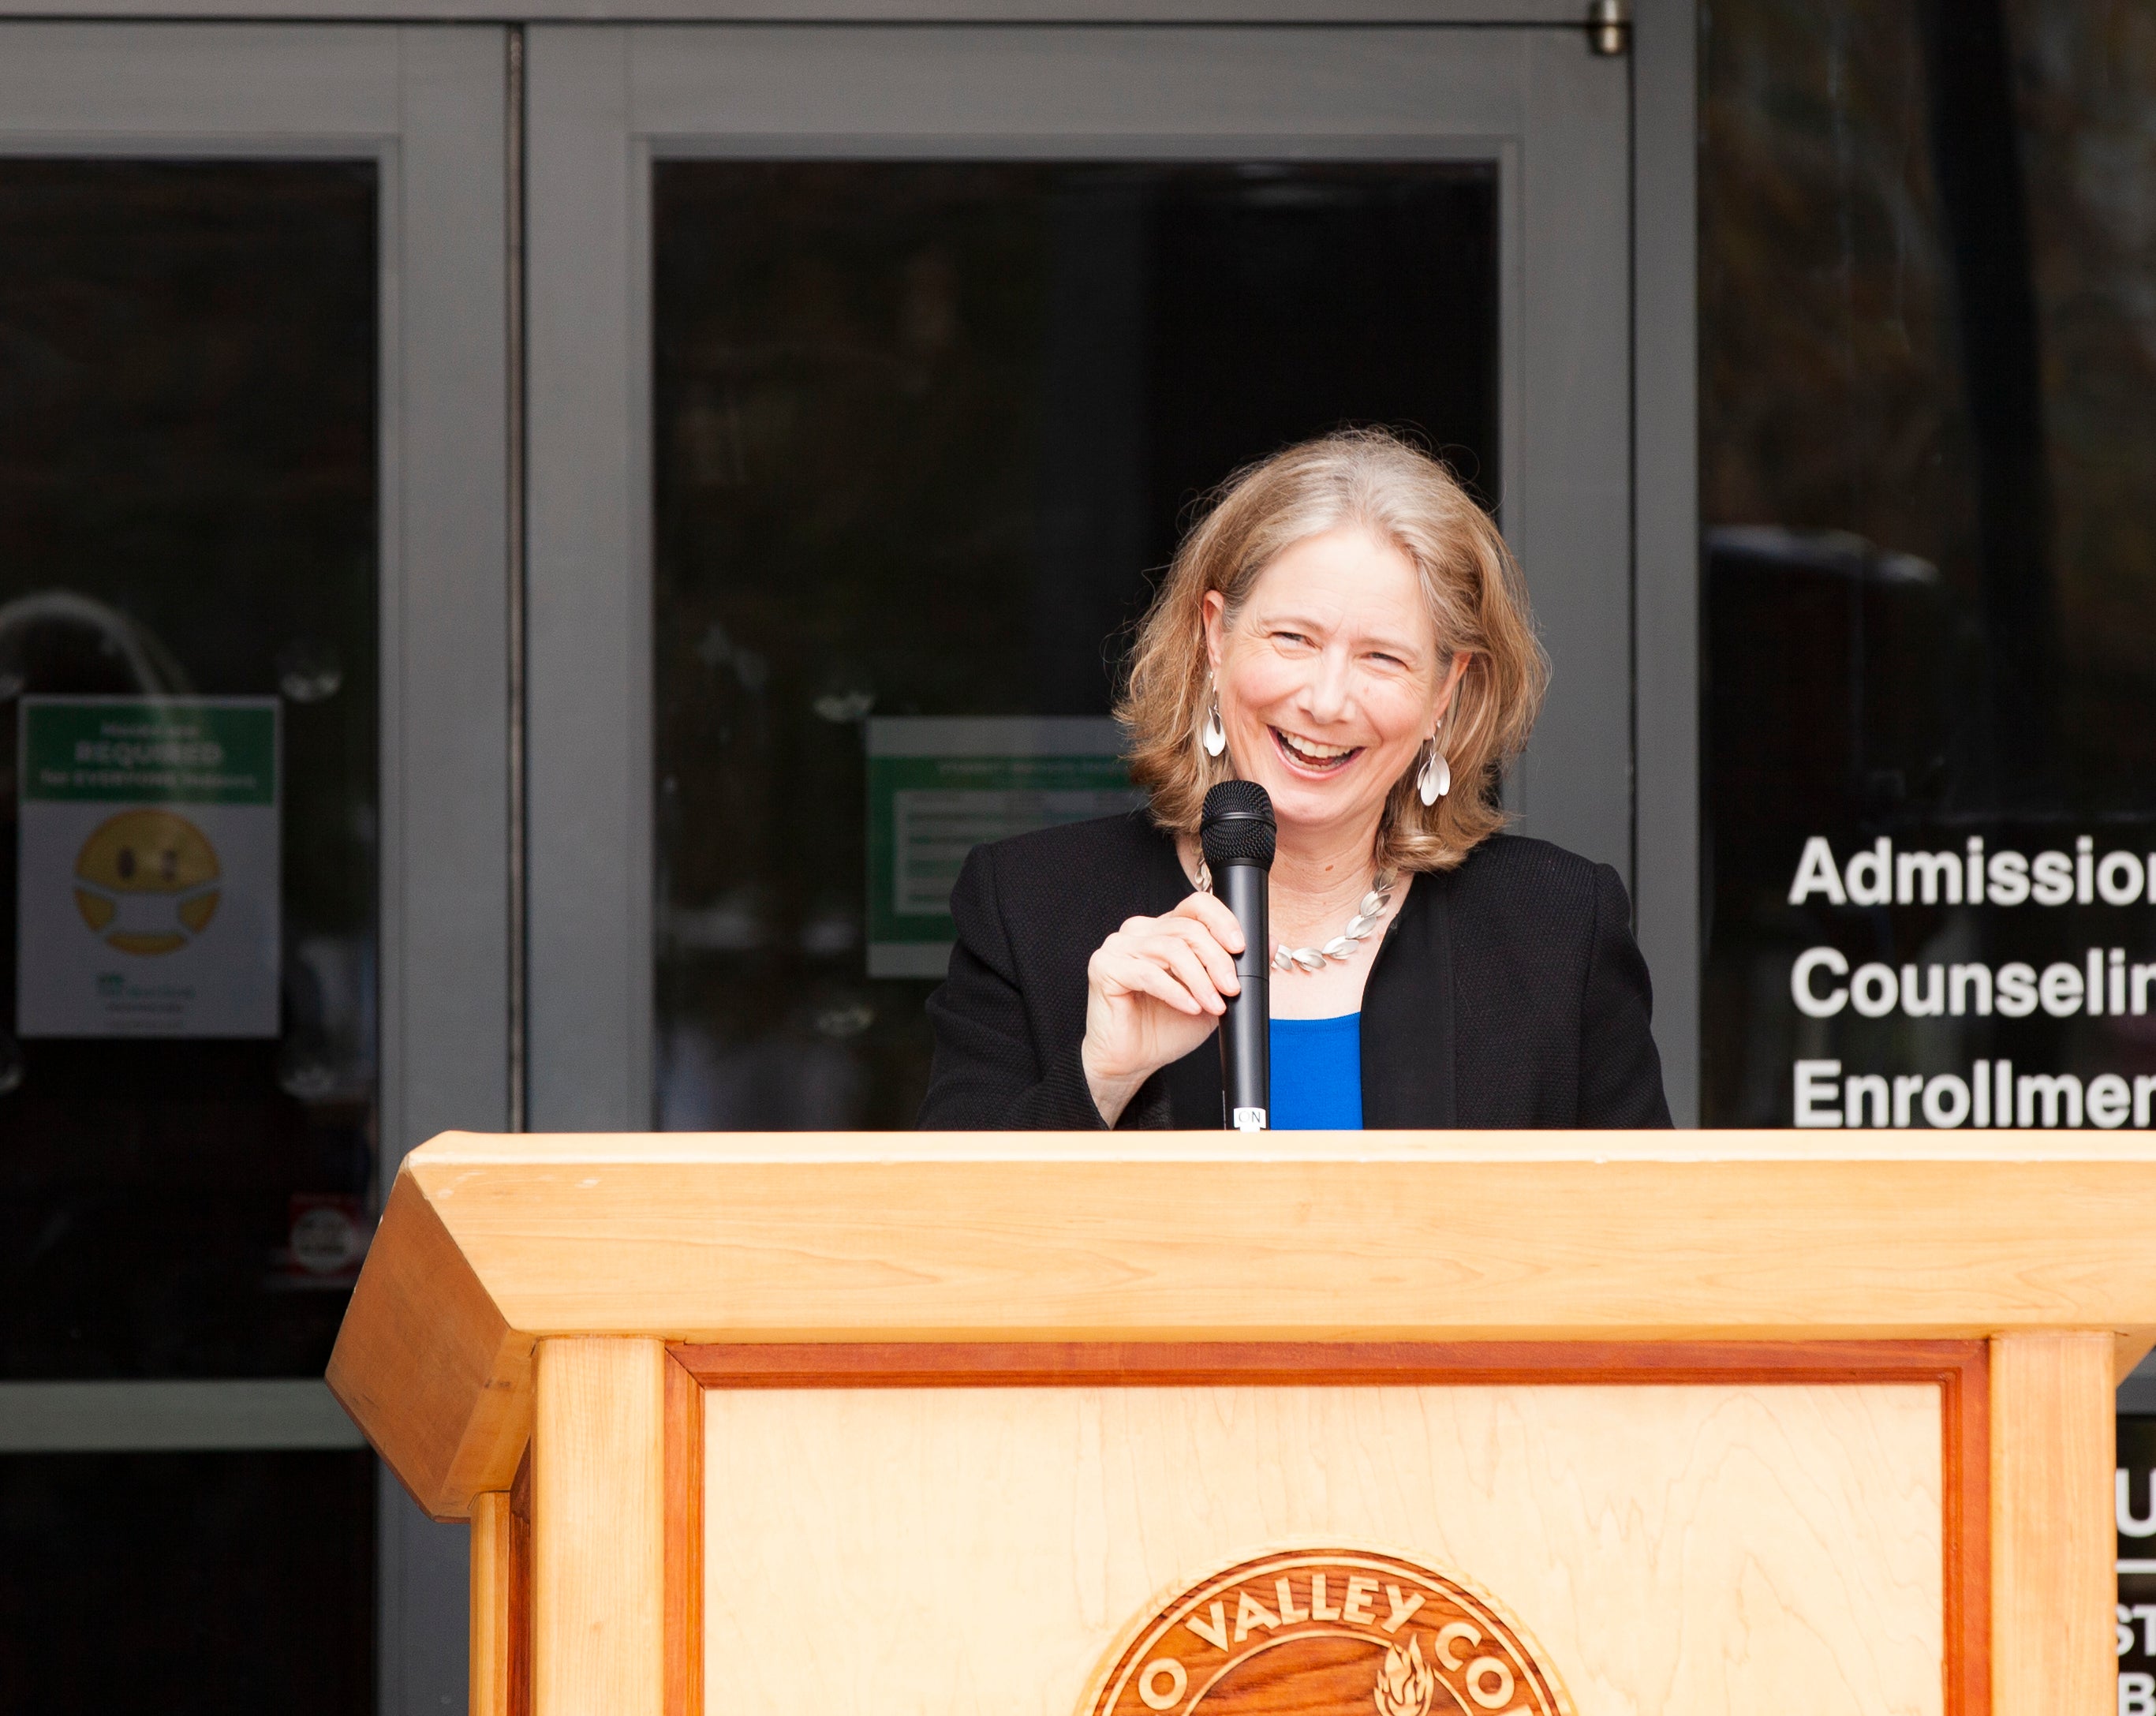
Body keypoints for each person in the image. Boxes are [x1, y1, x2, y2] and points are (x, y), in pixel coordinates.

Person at [918, 429, 1670, 1130]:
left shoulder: (1558, 929)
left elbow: (1647, 1246)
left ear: (1446, 691)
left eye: (1382, 657)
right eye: (1292, 638)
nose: (1325, 699)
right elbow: (940, 1243)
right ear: (1214, 637)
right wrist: (1102, 1077)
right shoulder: (1027, 905)